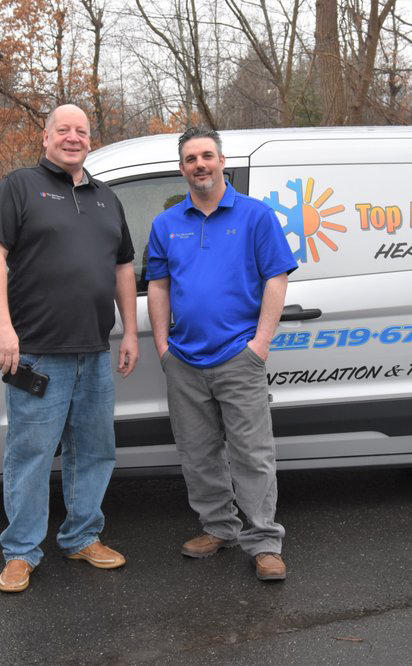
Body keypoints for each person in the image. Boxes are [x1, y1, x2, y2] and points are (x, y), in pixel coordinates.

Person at [0, 104, 138, 593]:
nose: (73, 137)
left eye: (82, 131)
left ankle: (82, 536)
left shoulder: (107, 198)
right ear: (45, 137)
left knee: (93, 451)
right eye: (63, 130)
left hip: (94, 350)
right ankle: (21, 552)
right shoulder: (19, 187)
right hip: (37, 353)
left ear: (91, 140)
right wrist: (2, 326)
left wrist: (130, 330)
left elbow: (123, 268)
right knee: (30, 454)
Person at [146, 127, 297, 581]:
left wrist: (260, 345)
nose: (200, 165)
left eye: (207, 156)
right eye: (191, 158)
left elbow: (276, 278)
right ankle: (218, 527)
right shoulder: (166, 224)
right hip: (185, 361)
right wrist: (162, 346)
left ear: (222, 160)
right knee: (198, 453)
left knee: (252, 454)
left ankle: (264, 541)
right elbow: (158, 284)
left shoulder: (255, 216)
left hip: (239, 357)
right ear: (182, 168)